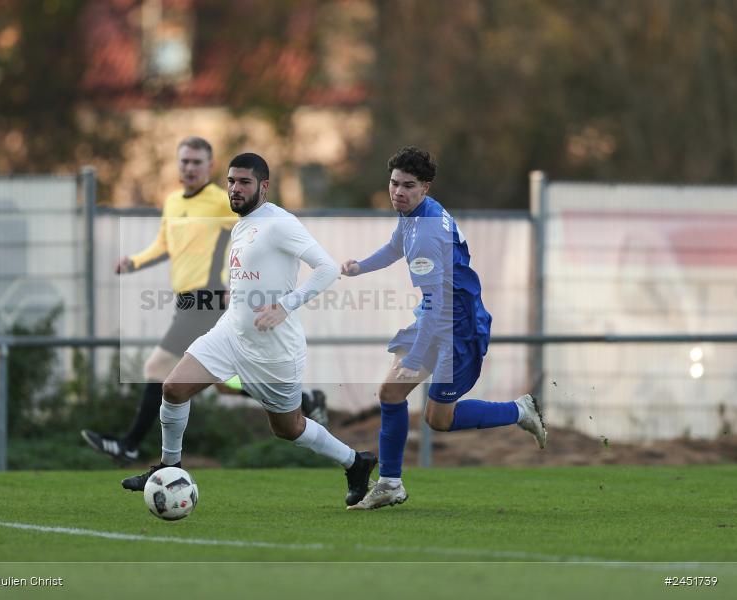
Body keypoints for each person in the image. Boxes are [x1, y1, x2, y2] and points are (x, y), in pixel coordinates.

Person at [121, 153, 377, 506]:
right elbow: (253, 271)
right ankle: (168, 468)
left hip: (274, 349)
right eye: (230, 181)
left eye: (244, 182)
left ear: (264, 186)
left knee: (287, 429)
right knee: (174, 388)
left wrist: (284, 306)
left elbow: (327, 268)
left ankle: (356, 462)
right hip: (231, 335)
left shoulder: (280, 223)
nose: (235, 189)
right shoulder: (243, 223)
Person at [82, 138, 330, 464]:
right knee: (223, 383)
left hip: (209, 296)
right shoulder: (172, 201)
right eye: (184, 161)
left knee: (158, 367)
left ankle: (130, 445)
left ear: (210, 167)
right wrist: (135, 262)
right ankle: (303, 398)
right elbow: (164, 244)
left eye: (197, 162)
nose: (189, 168)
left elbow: (247, 239)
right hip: (185, 300)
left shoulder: (220, 200)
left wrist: (232, 283)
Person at [341, 146, 546, 510]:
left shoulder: (425, 233)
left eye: (408, 186)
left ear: (426, 188)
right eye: (393, 184)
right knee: (391, 394)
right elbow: (393, 247)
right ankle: (390, 484)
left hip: (457, 327)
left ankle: (519, 411)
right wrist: (361, 267)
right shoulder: (413, 216)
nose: (398, 192)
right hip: (437, 316)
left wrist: (417, 354)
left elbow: (438, 307)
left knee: (439, 419)